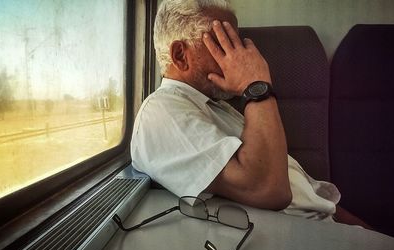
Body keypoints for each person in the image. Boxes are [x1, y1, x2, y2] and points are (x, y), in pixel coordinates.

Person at [131, 0, 370, 228]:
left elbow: (310, 197)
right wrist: (256, 84)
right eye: (225, 43)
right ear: (181, 55)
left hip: (326, 224)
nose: (239, 55)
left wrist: (363, 229)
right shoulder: (161, 113)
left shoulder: (216, 106)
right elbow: (269, 190)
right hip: (301, 235)